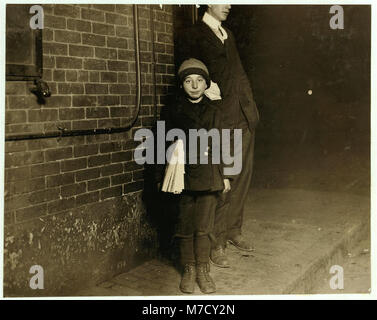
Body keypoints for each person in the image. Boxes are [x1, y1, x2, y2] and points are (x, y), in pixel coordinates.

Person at [176, 5, 260, 268]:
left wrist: (251, 110)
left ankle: (234, 230)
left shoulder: (228, 34)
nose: (229, 5)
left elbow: (239, 74)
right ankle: (216, 242)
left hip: (244, 117)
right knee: (223, 179)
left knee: (242, 176)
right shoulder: (193, 34)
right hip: (220, 120)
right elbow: (191, 76)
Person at [158, 58, 230, 294]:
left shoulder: (215, 111)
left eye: (199, 80)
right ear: (182, 85)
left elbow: (222, 144)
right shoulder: (172, 111)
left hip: (209, 175)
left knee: (204, 225)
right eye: (188, 81)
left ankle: (202, 269)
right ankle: (188, 268)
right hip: (184, 175)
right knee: (185, 224)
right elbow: (163, 144)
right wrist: (165, 171)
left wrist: (225, 175)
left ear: (206, 84)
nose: (195, 85)